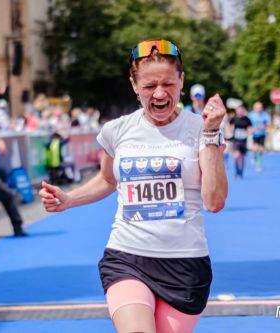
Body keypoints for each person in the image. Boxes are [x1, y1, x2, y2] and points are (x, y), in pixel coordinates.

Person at [39, 39, 228, 333]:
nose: (160, 93)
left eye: (168, 83)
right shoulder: (117, 130)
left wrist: (212, 133)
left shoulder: (199, 129)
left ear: (182, 80)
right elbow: (106, 179)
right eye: (150, 86)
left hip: (185, 264)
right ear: (134, 84)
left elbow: (214, 202)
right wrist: (69, 199)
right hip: (126, 256)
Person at [229, 104, 252, 178]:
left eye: (241, 110)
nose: (240, 112)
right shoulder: (234, 118)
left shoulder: (247, 119)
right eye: (238, 110)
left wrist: (247, 132)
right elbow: (230, 126)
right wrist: (230, 131)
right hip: (236, 139)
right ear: (236, 111)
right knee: (236, 155)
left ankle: (241, 170)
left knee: (242, 156)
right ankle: (236, 169)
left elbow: (250, 128)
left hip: (244, 140)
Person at [248, 101, 270, 172]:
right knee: (255, 148)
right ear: (254, 108)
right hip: (254, 134)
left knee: (261, 150)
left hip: (262, 134)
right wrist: (251, 129)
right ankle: (254, 156)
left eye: (260, 107)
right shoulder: (251, 115)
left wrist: (264, 127)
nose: (258, 109)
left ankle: (258, 164)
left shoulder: (265, 115)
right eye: (257, 108)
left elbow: (268, 125)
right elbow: (247, 124)